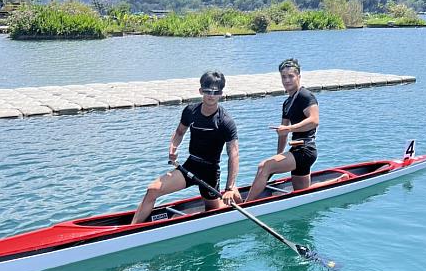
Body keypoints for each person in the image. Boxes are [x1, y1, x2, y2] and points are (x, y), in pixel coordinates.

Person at [131, 71, 240, 224]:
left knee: (213, 210)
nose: (211, 95)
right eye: (207, 91)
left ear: (221, 94)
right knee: (152, 190)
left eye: (216, 92)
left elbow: (233, 155)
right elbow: (179, 132)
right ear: (201, 91)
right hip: (190, 166)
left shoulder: (225, 121)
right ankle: (133, 228)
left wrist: (229, 187)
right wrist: (173, 147)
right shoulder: (190, 111)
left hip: (210, 172)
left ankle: (235, 197)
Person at [245, 58, 319, 202]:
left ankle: (246, 204)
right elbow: (283, 133)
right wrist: (278, 155)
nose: (287, 80)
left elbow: (314, 121)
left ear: (298, 76)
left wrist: (289, 128)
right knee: (302, 194)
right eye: (283, 77)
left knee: (264, 166)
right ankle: (340, 179)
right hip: (296, 150)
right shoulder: (287, 102)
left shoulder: (305, 96)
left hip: (306, 150)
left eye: (290, 76)